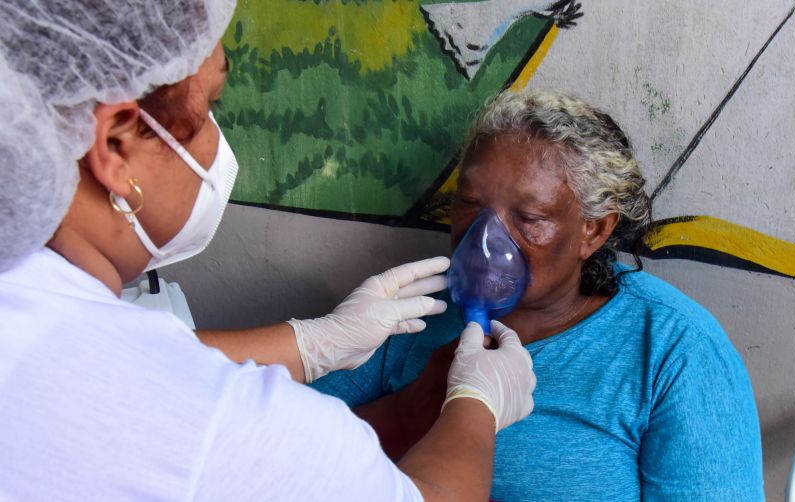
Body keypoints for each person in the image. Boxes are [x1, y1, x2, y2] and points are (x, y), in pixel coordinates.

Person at [0, 2, 537, 500]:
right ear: (117, 145)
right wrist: (477, 407)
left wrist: (313, 344)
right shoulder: (209, 422)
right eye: (213, 105)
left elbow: (109, 362)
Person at [313, 89, 765, 500]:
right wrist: (410, 410)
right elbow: (288, 452)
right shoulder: (412, 314)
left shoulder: (673, 349)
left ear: (594, 229)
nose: (485, 238)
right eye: (469, 204)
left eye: (529, 216)